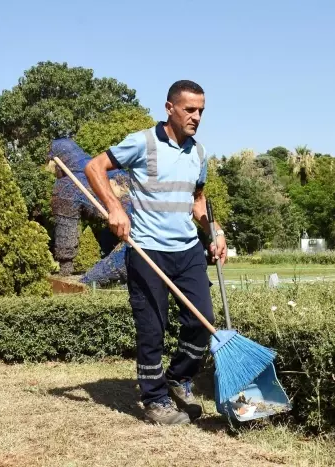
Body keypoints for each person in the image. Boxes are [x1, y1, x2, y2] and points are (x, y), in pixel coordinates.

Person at [84, 80, 227, 425]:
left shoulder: (199, 152)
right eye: (189, 110)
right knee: (152, 328)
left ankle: (177, 379)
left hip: (188, 250)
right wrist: (115, 209)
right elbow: (94, 167)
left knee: (201, 323)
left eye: (201, 111)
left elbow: (198, 201)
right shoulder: (143, 142)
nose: (196, 117)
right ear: (170, 108)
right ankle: (155, 399)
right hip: (148, 250)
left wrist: (215, 231)